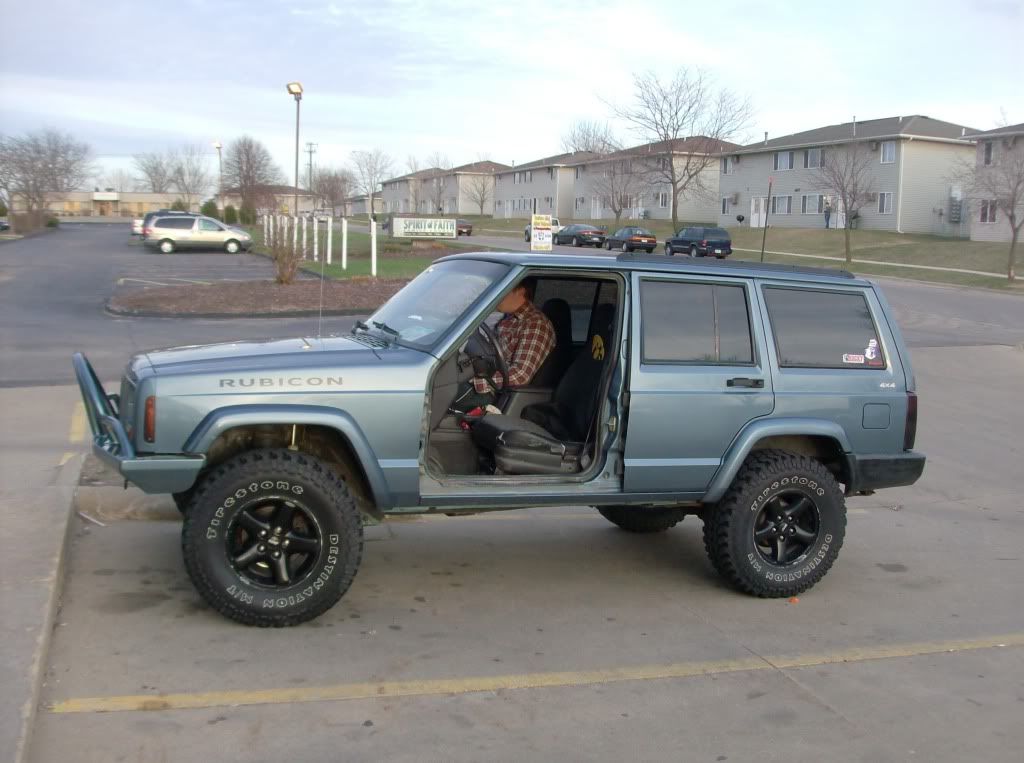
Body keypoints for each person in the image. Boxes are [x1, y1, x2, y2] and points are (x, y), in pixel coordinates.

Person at [471, 277, 555, 396]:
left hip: (501, 395)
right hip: (492, 381)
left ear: (521, 290)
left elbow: (520, 376)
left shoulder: (535, 324)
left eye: (502, 289)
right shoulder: (510, 318)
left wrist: (478, 381)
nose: (495, 295)